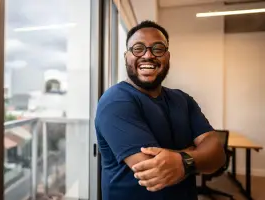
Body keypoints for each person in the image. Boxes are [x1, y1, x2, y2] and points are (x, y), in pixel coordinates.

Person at [95, 20, 226, 200]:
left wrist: (180, 161)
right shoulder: (116, 101)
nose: (148, 55)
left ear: (168, 56)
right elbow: (153, 170)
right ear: (126, 57)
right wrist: (195, 153)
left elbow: (217, 153)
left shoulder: (182, 99)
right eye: (138, 48)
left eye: (158, 49)